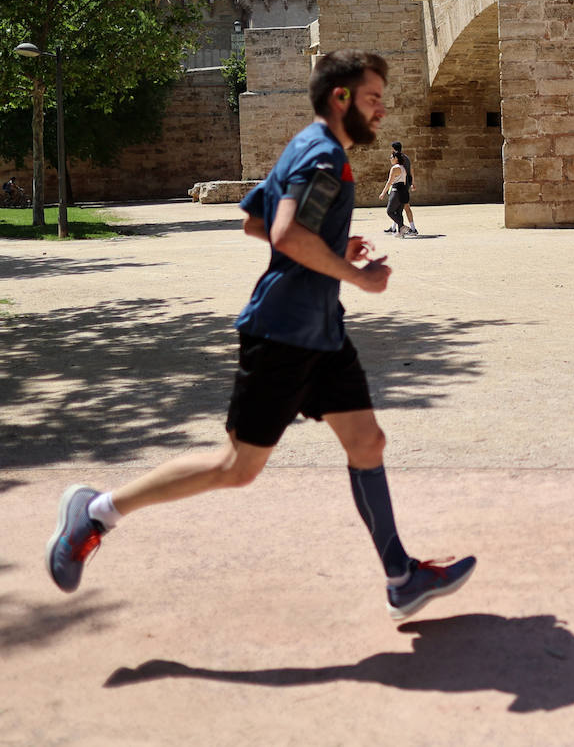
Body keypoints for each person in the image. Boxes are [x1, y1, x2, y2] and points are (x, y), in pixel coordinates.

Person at [45, 49, 476, 621]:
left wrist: (329, 247)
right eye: (372, 98)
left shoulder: (309, 148)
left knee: (366, 443)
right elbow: (282, 231)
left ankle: (401, 576)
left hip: (321, 333)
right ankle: (96, 512)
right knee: (237, 467)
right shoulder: (322, 157)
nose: (381, 110)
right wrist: (356, 274)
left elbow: (255, 222)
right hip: (283, 335)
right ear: (340, 99)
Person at [383, 141, 417, 235]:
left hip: (401, 185)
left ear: (393, 149)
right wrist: (412, 183)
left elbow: (410, 170)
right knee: (398, 208)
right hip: (404, 183)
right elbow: (411, 170)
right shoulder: (406, 158)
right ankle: (395, 228)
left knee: (404, 207)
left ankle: (412, 229)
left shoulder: (399, 160)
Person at [378, 151, 410, 238]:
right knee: (399, 212)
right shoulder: (403, 168)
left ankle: (402, 226)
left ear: (396, 158)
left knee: (390, 211)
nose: (390, 159)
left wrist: (383, 193)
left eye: (391, 157)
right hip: (403, 190)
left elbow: (389, 182)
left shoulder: (394, 168)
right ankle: (400, 232)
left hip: (396, 190)